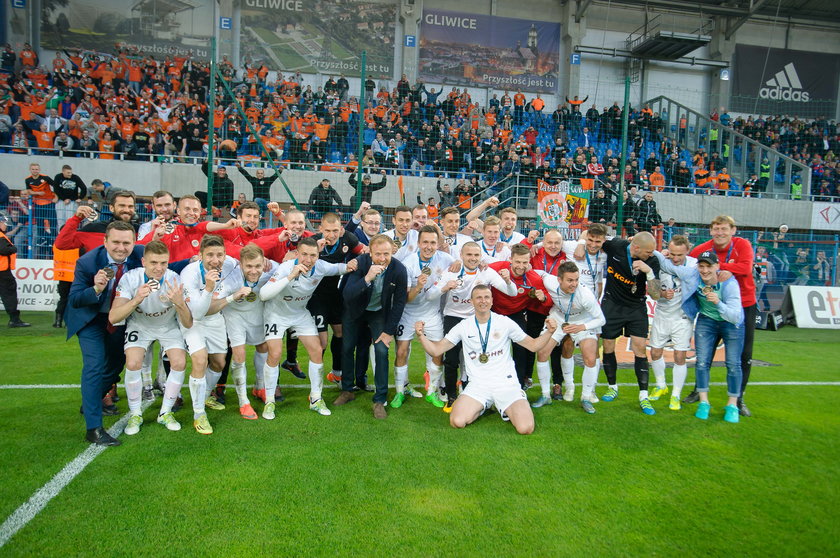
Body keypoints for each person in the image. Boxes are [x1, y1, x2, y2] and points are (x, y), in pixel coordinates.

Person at [414, 284, 558, 435]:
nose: (483, 301)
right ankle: (484, 405)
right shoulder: (464, 326)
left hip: (506, 384)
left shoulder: (505, 322)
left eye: (486, 297)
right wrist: (421, 336)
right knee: (457, 421)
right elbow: (436, 350)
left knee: (525, 428)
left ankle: (504, 404)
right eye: (479, 298)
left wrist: (549, 332)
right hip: (478, 386)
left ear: (492, 301)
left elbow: (533, 346)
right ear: (471, 301)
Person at [66, 221, 144, 446]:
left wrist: (190, 261)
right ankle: (94, 429)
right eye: (116, 242)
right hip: (92, 319)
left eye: (126, 242)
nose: (121, 247)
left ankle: (90, 400)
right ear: (105, 242)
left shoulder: (140, 254)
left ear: (134, 242)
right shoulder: (87, 262)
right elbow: (75, 300)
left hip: (120, 320)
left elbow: (163, 266)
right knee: (94, 365)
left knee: (118, 363)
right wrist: (96, 289)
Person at [259, 237, 355, 419]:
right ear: (297, 254)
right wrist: (290, 276)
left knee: (317, 350)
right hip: (276, 315)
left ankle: (316, 399)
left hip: (300, 314)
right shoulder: (286, 268)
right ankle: (269, 401)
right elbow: (264, 295)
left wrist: (353, 263)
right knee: (275, 354)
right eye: (304, 255)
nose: (309, 260)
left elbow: (340, 268)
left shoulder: (320, 266)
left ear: (318, 255)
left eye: (313, 255)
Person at [108, 240, 193, 435]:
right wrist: (137, 299)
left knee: (179, 363)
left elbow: (188, 323)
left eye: (163, 263)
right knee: (133, 362)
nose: (159, 268)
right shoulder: (130, 278)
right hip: (140, 325)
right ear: (143, 261)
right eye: (154, 263)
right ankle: (136, 413)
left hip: (167, 326)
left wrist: (180, 303)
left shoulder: (175, 280)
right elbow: (113, 317)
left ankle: (165, 412)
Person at [656, 250, 745, 423]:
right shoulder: (692, 274)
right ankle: (704, 402)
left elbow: (735, 316)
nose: (704, 271)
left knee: (733, 364)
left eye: (709, 266)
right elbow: (667, 265)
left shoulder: (729, 284)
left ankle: (732, 404)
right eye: (701, 266)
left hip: (731, 324)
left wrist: (718, 303)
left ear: (717, 267)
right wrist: (660, 251)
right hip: (707, 321)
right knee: (702, 362)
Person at [432, 241, 517, 410]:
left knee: (476, 358)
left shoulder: (486, 272)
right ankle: (451, 396)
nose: (473, 258)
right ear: (461, 256)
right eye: (469, 255)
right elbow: (429, 296)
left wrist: (507, 281)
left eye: (476, 255)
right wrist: (444, 288)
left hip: (475, 321)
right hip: (453, 317)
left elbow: (512, 292)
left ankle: (471, 390)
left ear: (481, 257)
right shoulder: (452, 272)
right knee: (451, 360)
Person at [686, 215, 756, 417]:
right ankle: (699, 392)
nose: (720, 233)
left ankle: (738, 399)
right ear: (711, 231)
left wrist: (722, 269)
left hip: (742, 306)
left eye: (724, 229)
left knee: (742, 356)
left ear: (733, 230)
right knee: (703, 356)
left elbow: (745, 268)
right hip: (710, 310)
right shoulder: (702, 250)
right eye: (716, 229)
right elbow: (688, 264)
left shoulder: (742, 245)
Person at [334, 234, 408, 419]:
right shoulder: (360, 263)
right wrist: (367, 278)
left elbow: (399, 303)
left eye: (386, 254)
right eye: (378, 254)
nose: (382, 258)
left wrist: (389, 331)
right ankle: (347, 390)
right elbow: (348, 294)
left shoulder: (399, 269)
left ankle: (379, 400)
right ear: (370, 252)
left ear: (392, 251)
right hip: (353, 310)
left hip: (378, 312)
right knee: (347, 347)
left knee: (382, 350)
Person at [588, 230, 661, 414]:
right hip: (612, 304)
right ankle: (612, 387)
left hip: (636, 307)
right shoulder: (616, 246)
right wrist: (582, 245)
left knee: (640, 348)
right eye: (648, 251)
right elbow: (592, 236)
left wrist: (650, 273)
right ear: (635, 247)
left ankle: (643, 396)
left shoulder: (652, 261)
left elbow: (655, 294)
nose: (651, 254)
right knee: (609, 346)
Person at [179, 235, 240, 435]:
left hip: (215, 320)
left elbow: (247, 261)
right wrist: (209, 288)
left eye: (219, 254)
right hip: (193, 320)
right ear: (200, 255)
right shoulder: (189, 273)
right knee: (199, 360)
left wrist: (268, 263)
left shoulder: (231, 263)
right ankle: (199, 414)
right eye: (210, 255)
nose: (215, 260)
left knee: (219, 363)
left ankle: (205, 396)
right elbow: (197, 312)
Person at [392, 225, 455, 409]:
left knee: (437, 352)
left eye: (433, 243)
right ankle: (399, 392)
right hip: (409, 313)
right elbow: (406, 300)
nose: (429, 246)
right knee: (401, 351)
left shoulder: (444, 258)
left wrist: (458, 261)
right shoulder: (408, 264)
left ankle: (431, 392)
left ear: (438, 244)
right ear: (419, 243)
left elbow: (458, 264)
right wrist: (418, 287)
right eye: (425, 242)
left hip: (432, 314)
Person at [532, 262, 605, 413]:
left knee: (590, 358)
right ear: (559, 280)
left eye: (576, 279)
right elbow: (536, 272)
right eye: (570, 280)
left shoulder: (585, 295)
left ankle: (585, 398)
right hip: (558, 318)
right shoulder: (550, 281)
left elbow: (601, 319)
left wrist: (581, 327)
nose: (574, 284)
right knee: (542, 352)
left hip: (583, 322)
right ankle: (546, 395)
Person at [219, 244, 277, 419]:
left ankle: (259, 387)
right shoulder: (231, 278)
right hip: (235, 317)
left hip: (257, 314)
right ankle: (243, 401)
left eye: (257, 266)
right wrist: (233, 295)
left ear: (263, 263)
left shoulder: (269, 270)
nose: (253, 271)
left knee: (264, 347)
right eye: (249, 266)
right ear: (241, 264)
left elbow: (287, 267)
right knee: (239, 354)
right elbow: (217, 299)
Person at [309, 213, 363, 388]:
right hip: (316, 297)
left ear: (341, 229)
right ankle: (316, 382)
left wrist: (358, 259)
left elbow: (362, 252)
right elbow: (300, 260)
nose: (331, 235)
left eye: (335, 230)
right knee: (322, 341)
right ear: (320, 229)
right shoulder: (313, 242)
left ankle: (337, 373)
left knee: (341, 333)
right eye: (327, 231)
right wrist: (315, 251)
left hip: (336, 294)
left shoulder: (349, 238)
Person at [648, 235, 696, 410]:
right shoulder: (660, 263)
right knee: (654, 353)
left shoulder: (693, 265)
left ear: (687, 252)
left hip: (682, 318)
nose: (675, 258)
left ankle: (675, 394)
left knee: (680, 356)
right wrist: (661, 294)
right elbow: (652, 291)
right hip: (662, 314)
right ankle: (661, 386)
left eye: (680, 255)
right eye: (673, 254)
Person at [0, 212, 29, 327]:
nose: (5, 225)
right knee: (9, 295)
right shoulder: (1, 237)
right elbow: (4, 250)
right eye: (3, 223)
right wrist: (13, 248)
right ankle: (14, 319)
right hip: (3, 271)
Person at [22, 162, 58, 249]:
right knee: (40, 222)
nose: (35, 171)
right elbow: (29, 191)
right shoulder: (28, 179)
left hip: (49, 202)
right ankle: (41, 239)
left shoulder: (45, 177)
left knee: (52, 221)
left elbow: (56, 186)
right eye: (33, 169)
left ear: (39, 170)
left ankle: (53, 239)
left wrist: (56, 197)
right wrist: (37, 193)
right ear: (30, 170)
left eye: (36, 169)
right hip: (38, 203)